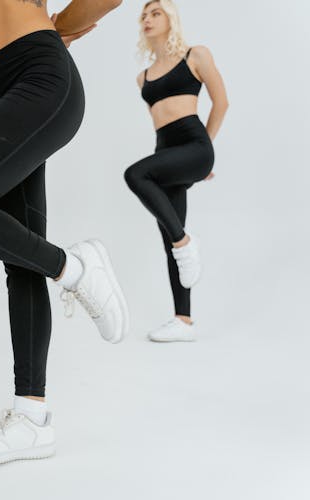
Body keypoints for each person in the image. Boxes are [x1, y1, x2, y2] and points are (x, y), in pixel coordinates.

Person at [0, 0, 126, 466]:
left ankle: (73, 268)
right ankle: (31, 418)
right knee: (20, 258)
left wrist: (60, 27)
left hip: (38, 73)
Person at [125, 0, 228, 342]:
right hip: (165, 151)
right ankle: (183, 321)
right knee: (169, 235)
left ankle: (186, 242)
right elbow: (160, 122)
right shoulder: (143, 77)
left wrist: (205, 153)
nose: (147, 18)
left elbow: (221, 101)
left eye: (155, 13)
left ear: (170, 19)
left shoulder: (194, 55)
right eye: (144, 14)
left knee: (135, 175)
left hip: (195, 146)